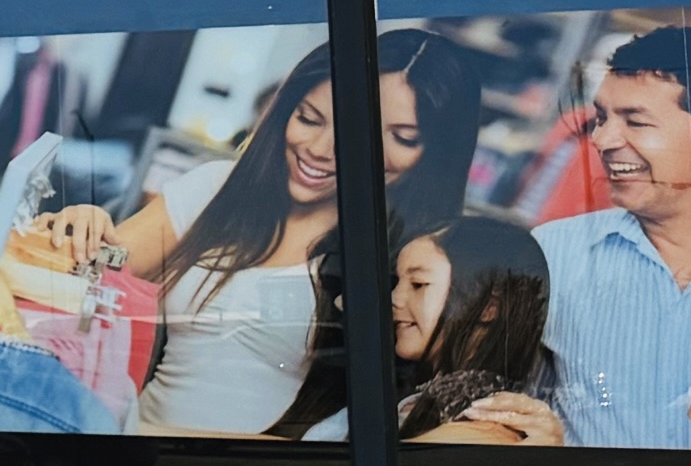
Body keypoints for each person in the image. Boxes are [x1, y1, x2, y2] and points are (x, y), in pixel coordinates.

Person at [45, 36, 464, 438]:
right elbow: (79, 271)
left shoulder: (413, 260)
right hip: (131, 455)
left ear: (436, 155)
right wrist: (84, 223)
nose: (320, 148)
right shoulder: (219, 188)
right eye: (308, 118)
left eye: (400, 138)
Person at [470, 24, 691, 448]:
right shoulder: (553, 253)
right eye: (603, 118)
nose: (601, 140)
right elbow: (479, 393)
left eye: (636, 122)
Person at [388, 216, 553, 443]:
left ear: (489, 307)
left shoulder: (485, 426)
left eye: (418, 284)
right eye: (397, 282)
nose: (395, 298)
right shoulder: (425, 402)